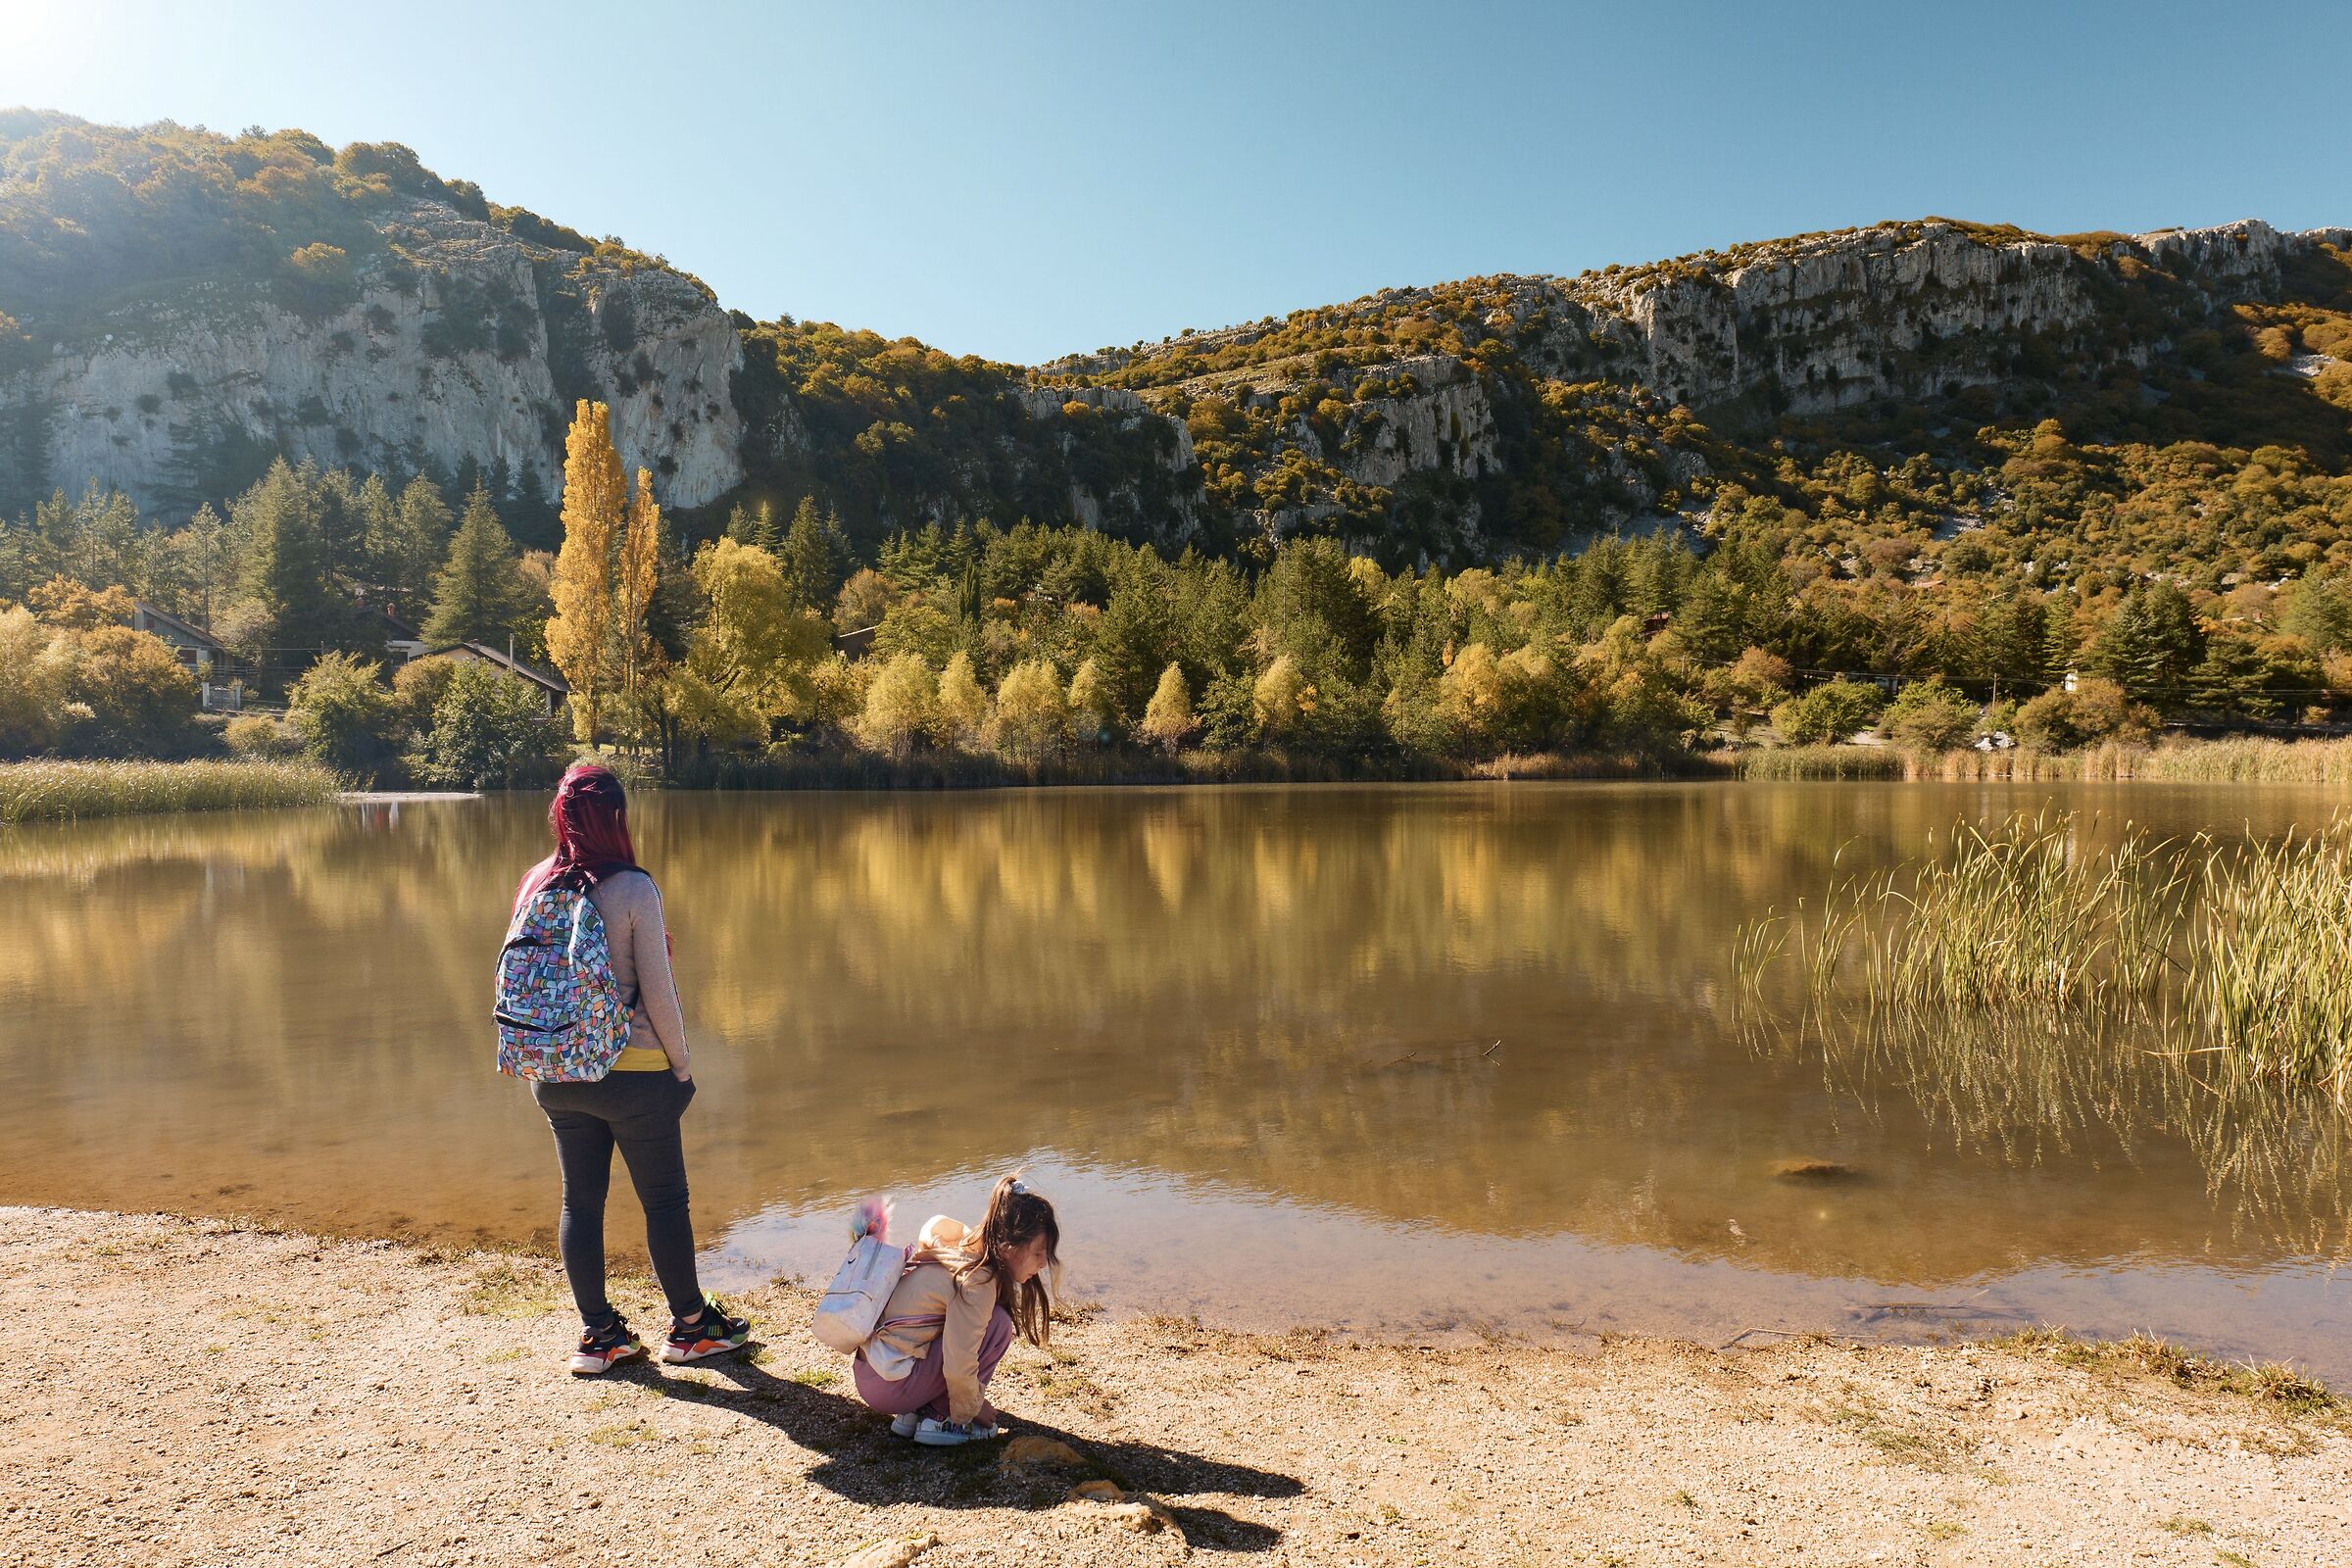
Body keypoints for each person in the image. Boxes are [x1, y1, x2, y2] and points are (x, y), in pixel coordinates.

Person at [514, 761, 751, 1376]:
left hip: (556, 1071)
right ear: (617, 817)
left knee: (580, 1202)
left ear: (559, 816)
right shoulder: (632, 887)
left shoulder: (535, 882)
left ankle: (600, 1337)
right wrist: (682, 1067)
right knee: (665, 1201)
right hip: (634, 1075)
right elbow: (660, 994)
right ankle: (693, 1329)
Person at [855, 1175, 1059, 1446]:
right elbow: (959, 1362)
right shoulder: (977, 1282)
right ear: (1010, 1247)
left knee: (969, 1325)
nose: (1043, 1264)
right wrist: (972, 1407)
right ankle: (942, 1419)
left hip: (871, 1372)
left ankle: (913, 1413)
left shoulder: (956, 1253)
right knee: (997, 1325)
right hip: (890, 1385)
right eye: (1038, 1253)